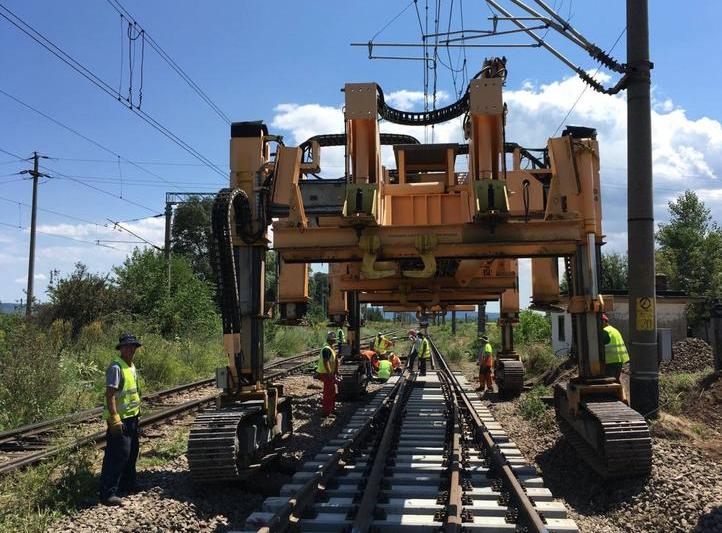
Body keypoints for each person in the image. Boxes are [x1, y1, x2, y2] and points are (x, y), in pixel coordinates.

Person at [99, 332, 142, 506]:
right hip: (120, 420)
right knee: (117, 456)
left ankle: (128, 485)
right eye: (127, 346)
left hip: (132, 418)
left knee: (131, 453)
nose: (131, 349)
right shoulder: (116, 367)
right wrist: (114, 417)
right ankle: (108, 493)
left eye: (133, 346)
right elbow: (110, 395)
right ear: (121, 348)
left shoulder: (130, 366)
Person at [601, 314, 629, 380]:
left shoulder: (605, 331)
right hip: (619, 361)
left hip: (610, 361)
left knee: (609, 382)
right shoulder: (615, 330)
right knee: (615, 381)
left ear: (604, 322)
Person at [316, 331, 338, 417]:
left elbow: (334, 360)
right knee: (328, 393)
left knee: (332, 392)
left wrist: (336, 371)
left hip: (329, 373)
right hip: (326, 373)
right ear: (331, 340)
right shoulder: (326, 349)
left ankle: (331, 410)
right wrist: (329, 373)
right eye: (334, 340)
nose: (335, 341)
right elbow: (326, 362)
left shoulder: (330, 347)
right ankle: (327, 412)